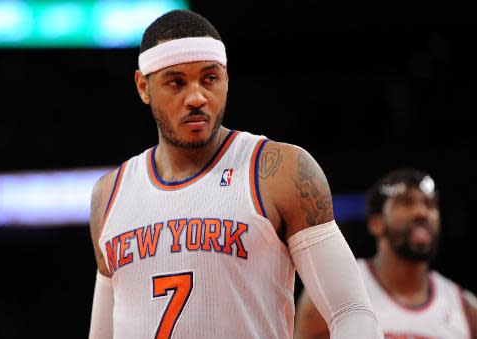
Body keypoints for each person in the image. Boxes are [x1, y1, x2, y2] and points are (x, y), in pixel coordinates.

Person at [88, 9, 382, 339]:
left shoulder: (278, 171)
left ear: (226, 78)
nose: (197, 97)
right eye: (176, 82)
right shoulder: (109, 194)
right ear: (144, 87)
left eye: (209, 78)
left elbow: (351, 311)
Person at [294, 169, 477, 339]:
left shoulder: (466, 308)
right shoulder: (334, 290)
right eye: (406, 203)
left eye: (429, 205)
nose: (422, 213)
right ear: (376, 223)